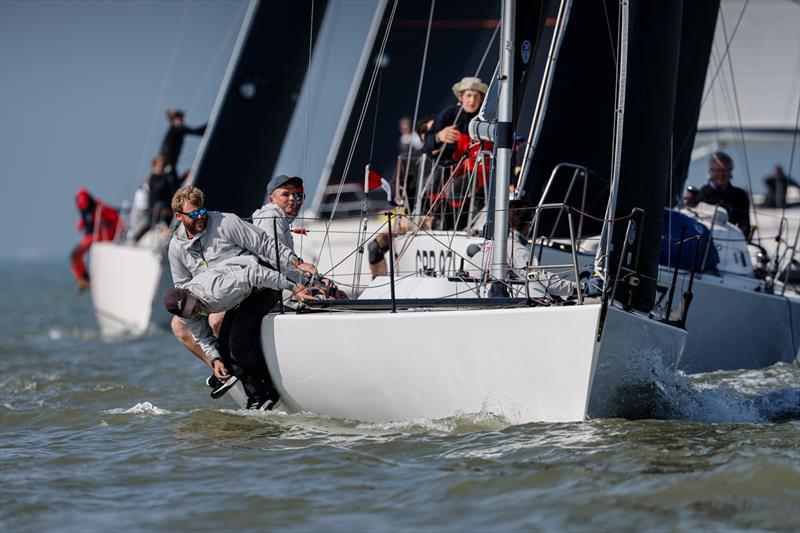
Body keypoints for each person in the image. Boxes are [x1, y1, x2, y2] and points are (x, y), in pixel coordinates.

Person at [168, 186, 314, 410]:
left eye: (202, 212)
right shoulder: (176, 247)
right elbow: (182, 288)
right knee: (180, 324)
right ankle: (224, 370)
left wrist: (295, 269)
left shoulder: (226, 222)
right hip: (211, 296)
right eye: (193, 215)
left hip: (251, 284)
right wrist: (214, 357)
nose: (200, 218)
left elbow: (264, 245)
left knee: (227, 334)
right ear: (179, 216)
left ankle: (257, 387)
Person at [423, 77, 492, 228]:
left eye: (476, 96)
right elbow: (427, 145)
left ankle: (455, 227)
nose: (472, 100)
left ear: (481, 99)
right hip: (454, 166)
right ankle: (433, 222)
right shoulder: (449, 115)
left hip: (480, 169)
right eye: (469, 95)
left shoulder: (488, 117)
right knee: (431, 183)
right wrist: (438, 137)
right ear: (461, 97)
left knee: (456, 188)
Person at [71, 188, 121, 292]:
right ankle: (83, 279)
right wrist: (81, 224)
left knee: (75, 254)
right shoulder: (85, 210)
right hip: (93, 236)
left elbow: (117, 220)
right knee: (74, 256)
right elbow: (87, 220)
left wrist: (113, 234)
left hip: (101, 236)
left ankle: (85, 280)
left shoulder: (101, 208)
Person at [697, 151, 751, 239]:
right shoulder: (703, 193)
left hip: (732, 241)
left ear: (730, 173)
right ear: (710, 173)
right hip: (708, 240)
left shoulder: (740, 195)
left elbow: (745, 225)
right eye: (717, 170)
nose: (721, 175)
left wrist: (740, 240)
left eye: (724, 170)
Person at [148, 154, 180, 227]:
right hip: (157, 215)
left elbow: (175, 188)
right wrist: (166, 176)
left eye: (164, 166)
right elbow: (158, 190)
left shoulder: (168, 178)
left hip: (169, 213)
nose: (162, 169)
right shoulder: (153, 179)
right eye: (161, 166)